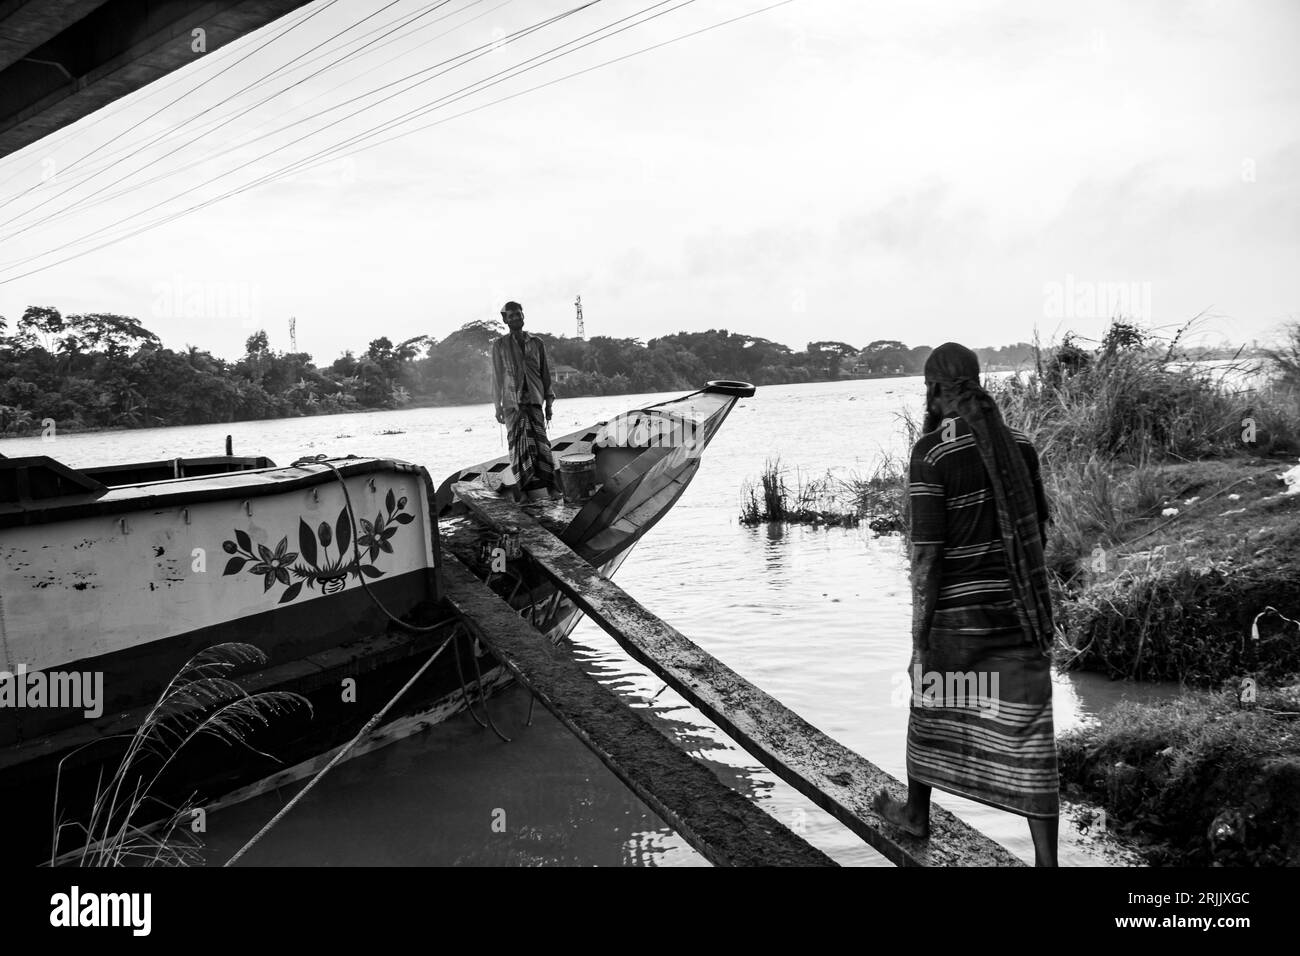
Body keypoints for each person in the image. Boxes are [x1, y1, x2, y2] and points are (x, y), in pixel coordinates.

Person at [873, 342, 1060, 866]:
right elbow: (1037, 532)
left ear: (934, 391)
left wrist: (919, 639)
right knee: (1030, 735)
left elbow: (928, 557)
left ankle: (915, 814)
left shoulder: (931, 454)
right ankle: (1049, 863)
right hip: (1020, 612)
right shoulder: (1019, 445)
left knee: (928, 708)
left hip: (959, 618)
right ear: (976, 383)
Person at [491, 300, 558, 499]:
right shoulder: (500, 345)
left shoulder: (536, 343)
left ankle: (552, 488)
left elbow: (545, 374)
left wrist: (549, 404)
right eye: (511, 316)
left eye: (518, 314)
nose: (516, 318)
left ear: (523, 316)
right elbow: (496, 378)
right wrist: (497, 407)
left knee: (542, 447)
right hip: (513, 404)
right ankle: (524, 493)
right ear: (506, 320)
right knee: (519, 450)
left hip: (535, 401)